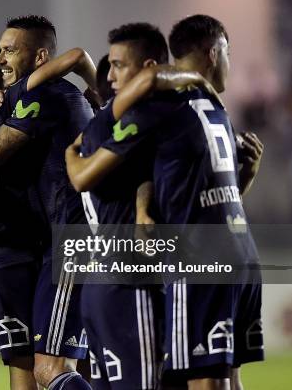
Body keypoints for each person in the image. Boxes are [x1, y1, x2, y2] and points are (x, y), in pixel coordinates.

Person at [65, 15, 264, 390]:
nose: (112, 77)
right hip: (240, 251)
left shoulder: (160, 108)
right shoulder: (213, 105)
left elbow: (83, 177)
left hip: (193, 259)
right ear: (213, 52)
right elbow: (194, 192)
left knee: (204, 380)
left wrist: (71, 152)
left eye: (120, 66)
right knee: (226, 376)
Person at [0, 15, 95, 390]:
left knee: (47, 369)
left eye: (9, 50)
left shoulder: (41, 94)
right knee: (57, 368)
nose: (1, 59)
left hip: (72, 240)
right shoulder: (56, 96)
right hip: (55, 244)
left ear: (40, 56)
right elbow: (80, 58)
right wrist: (101, 94)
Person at [70, 22, 209, 390]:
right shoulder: (141, 124)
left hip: (99, 284)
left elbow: (136, 179)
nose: (113, 75)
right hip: (129, 283)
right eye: (111, 67)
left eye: (119, 65)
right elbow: (83, 178)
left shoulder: (103, 132)